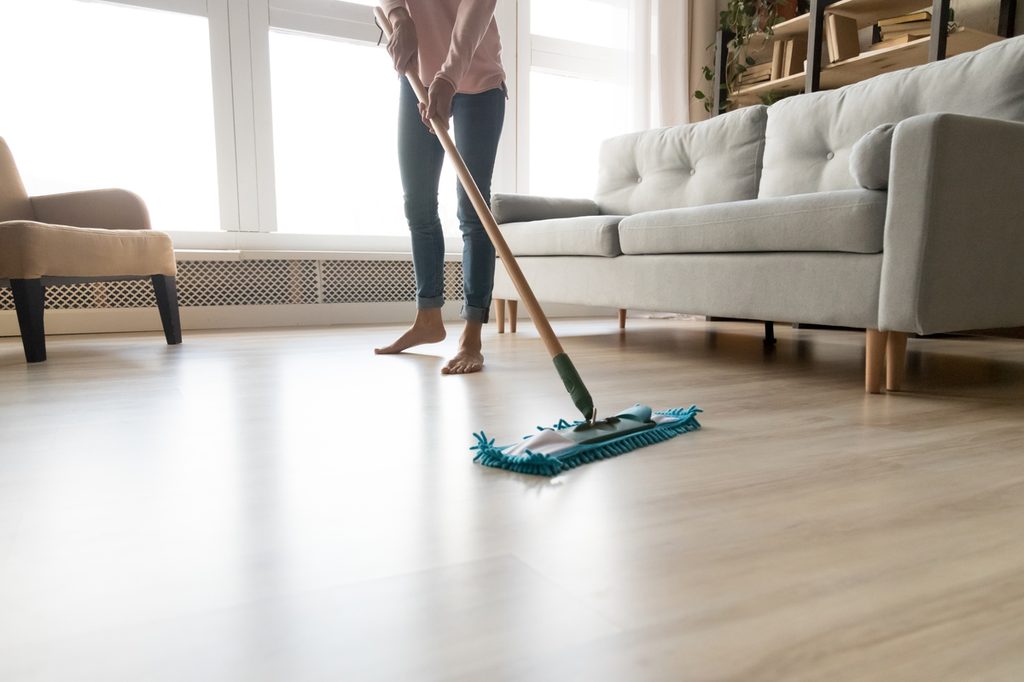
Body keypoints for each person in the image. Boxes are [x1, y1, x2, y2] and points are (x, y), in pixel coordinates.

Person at [374, 0, 505, 375]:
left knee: (473, 209)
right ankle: (428, 319)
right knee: (417, 203)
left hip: (479, 82)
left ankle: (472, 335)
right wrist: (399, 17)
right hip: (419, 76)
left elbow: (475, 12)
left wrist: (448, 77)